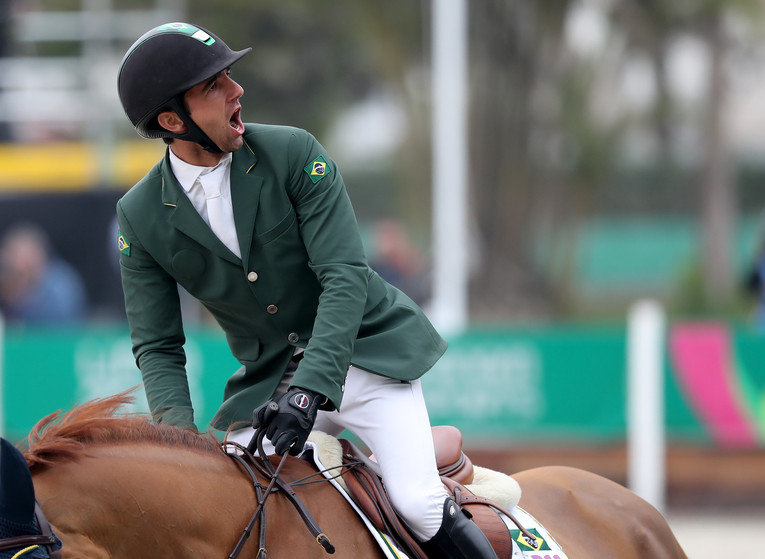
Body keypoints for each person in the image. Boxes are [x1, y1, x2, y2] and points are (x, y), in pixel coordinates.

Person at [115, 22, 495, 558]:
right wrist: (179, 449)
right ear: (173, 121)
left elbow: (344, 277)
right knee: (227, 512)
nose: (236, 90)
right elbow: (158, 346)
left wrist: (311, 386)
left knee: (416, 503)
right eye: (213, 86)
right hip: (268, 387)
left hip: (363, 357)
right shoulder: (139, 215)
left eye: (230, 76)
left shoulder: (294, 153)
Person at [0, 224, 87, 325]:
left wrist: (21, 298)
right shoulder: (10, 280)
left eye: (15, 254)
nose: (12, 261)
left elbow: (61, 319)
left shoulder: (60, 282)